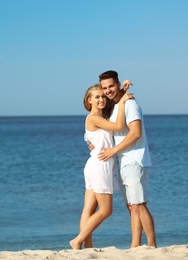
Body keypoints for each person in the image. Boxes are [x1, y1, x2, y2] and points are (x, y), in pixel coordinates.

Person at [96, 70, 157, 248]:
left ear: (118, 84)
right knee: (132, 206)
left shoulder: (129, 104)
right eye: (104, 88)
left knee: (139, 204)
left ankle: (152, 246)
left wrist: (113, 150)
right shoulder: (117, 106)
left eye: (111, 86)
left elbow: (136, 133)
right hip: (123, 162)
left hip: (134, 159)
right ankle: (135, 245)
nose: (108, 91)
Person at [70, 81, 134, 250]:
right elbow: (119, 125)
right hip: (101, 164)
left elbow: (92, 135)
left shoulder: (99, 117)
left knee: (88, 210)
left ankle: (87, 246)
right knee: (106, 210)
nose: (101, 99)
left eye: (103, 96)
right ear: (89, 100)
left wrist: (122, 91)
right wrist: (124, 101)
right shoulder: (94, 118)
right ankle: (78, 240)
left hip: (94, 163)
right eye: (97, 97)